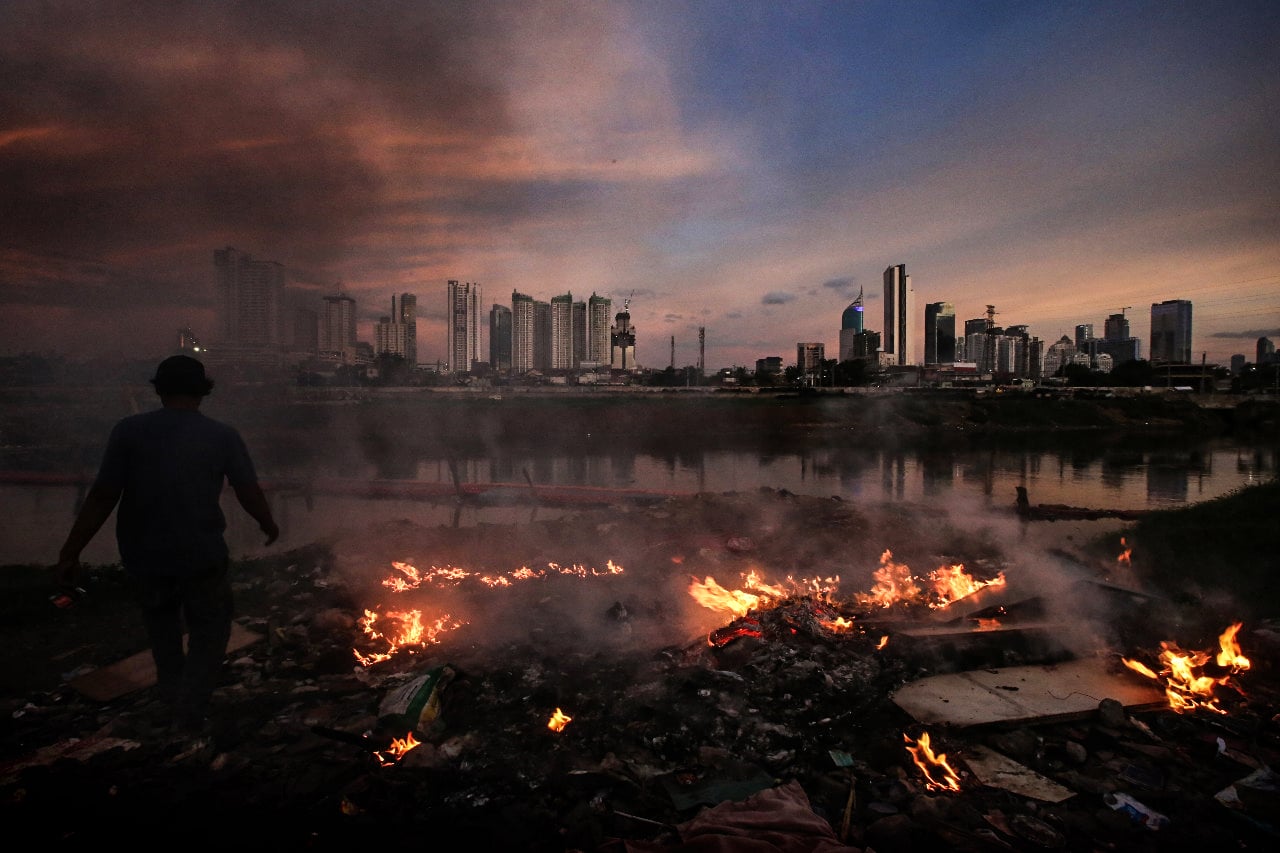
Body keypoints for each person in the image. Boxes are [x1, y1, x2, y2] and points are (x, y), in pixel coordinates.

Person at [53, 354, 279, 735]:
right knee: (210, 631)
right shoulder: (222, 435)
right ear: (202, 393)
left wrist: (70, 551)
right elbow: (248, 490)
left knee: (162, 630)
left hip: (144, 556)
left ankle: (172, 698)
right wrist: (267, 523)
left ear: (159, 390)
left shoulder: (128, 431)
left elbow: (103, 496)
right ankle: (189, 710)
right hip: (201, 554)